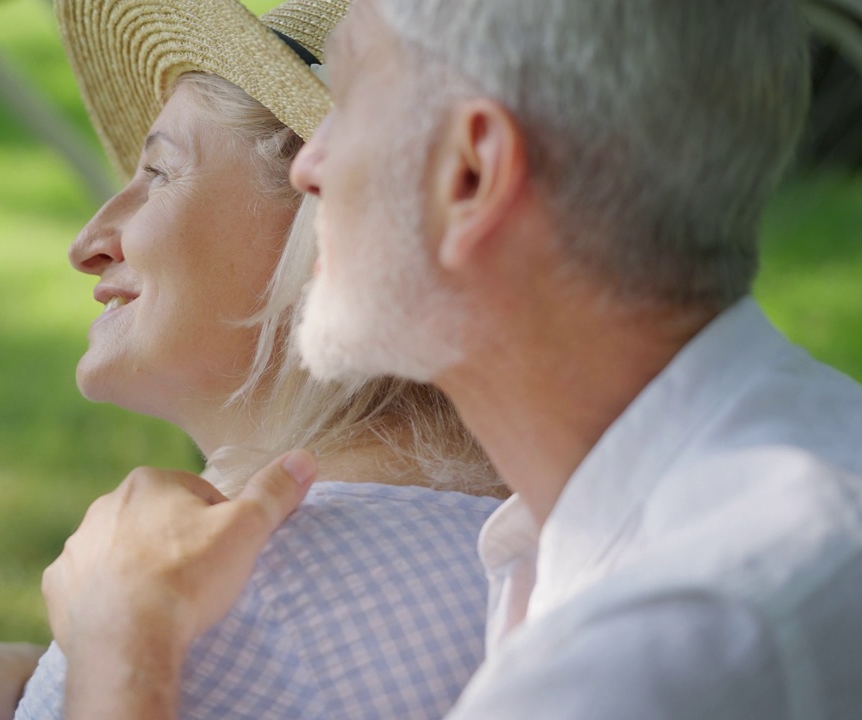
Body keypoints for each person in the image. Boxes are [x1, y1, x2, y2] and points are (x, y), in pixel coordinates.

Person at [42, 0, 862, 718]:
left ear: (470, 173)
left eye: (349, 101)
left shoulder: (649, 659)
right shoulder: (788, 468)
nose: (309, 166)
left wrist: (122, 642)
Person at [0, 1, 508, 718]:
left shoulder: (218, 608)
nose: (87, 242)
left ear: (321, 217)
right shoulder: (500, 550)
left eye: (158, 174)